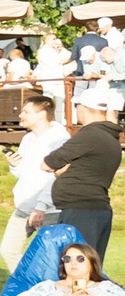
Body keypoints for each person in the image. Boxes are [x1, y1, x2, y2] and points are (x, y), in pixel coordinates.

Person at [42, 103, 120, 265]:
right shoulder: (110, 137)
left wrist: (61, 170)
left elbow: (48, 163)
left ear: (82, 108)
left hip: (82, 210)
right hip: (93, 209)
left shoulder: (90, 135)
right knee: (89, 267)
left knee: (76, 267)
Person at [4, 95, 65, 268]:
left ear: (41, 114)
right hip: (24, 205)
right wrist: (14, 166)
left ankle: (52, 291)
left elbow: (56, 177)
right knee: (8, 250)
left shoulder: (59, 139)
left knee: (51, 258)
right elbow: (23, 174)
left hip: (48, 210)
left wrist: (42, 206)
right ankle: (28, 287)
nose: (21, 116)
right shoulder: (27, 139)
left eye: (26, 112)